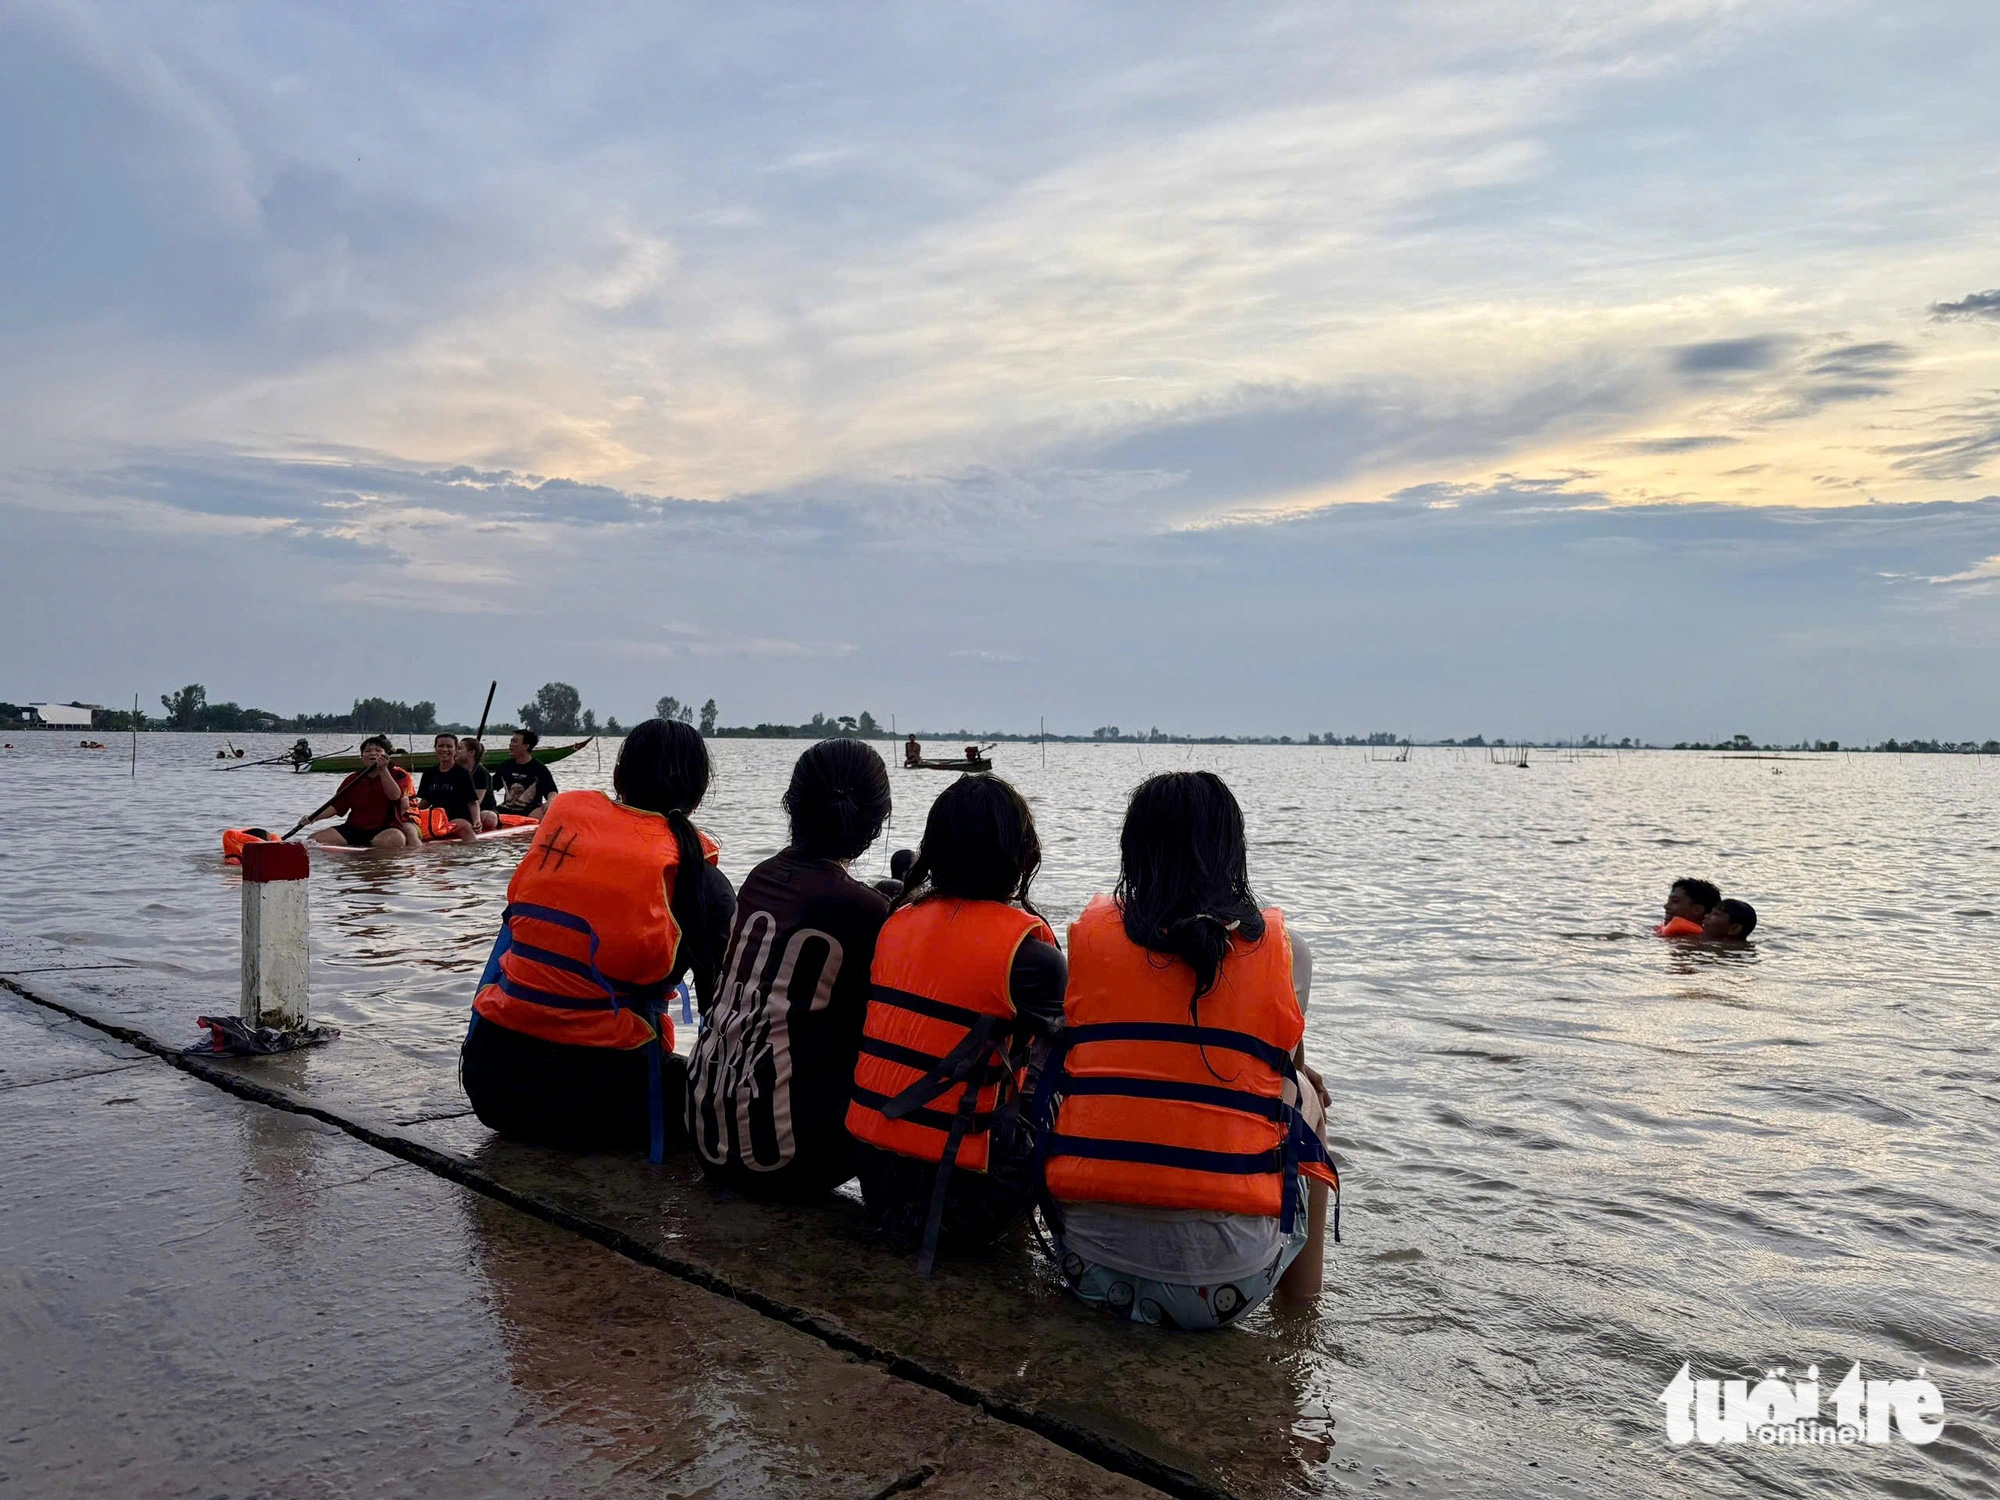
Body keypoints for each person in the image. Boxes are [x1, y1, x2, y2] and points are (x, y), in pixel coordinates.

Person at [1037, 770, 1336, 1331]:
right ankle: (1300, 1313)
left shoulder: (1088, 942)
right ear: (1233, 851)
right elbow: (1280, 1075)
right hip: (1229, 1284)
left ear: (1134, 851)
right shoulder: (1287, 951)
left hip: (1087, 1266)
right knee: (1309, 1104)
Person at [459, 719, 734, 1159]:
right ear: (698, 795)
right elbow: (721, 1021)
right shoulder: (703, 880)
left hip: (493, 1085)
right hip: (605, 1105)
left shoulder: (561, 828)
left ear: (618, 779)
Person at [846, 774, 1067, 1272]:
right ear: (1020, 856)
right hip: (966, 1204)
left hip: (875, 1181)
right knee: (1062, 1064)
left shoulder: (894, 922)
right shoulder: (1031, 959)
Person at [686, 739, 895, 1201]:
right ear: (875, 823)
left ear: (792, 805)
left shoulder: (760, 875)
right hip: (793, 1159)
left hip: (707, 1135)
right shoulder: (866, 911)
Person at [286, 735, 417, 849]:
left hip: (386, 827)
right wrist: (313, 817)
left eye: (378, 751)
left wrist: (383, 770)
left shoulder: (398, 774)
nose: (372, 754)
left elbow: (395, 796)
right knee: (313, 841)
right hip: (354, 827)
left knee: (394, 840)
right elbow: (336, 806)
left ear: (386, 756)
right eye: (367, 751)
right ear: (361, 757)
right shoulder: (353, 779)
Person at [415, 733, 479, 842]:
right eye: (440, 746)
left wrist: (477, 821)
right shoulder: (429, 773)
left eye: (449, 746)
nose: (444, 750)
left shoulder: (463, 773)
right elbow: (425, 801)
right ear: (435, 748)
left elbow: (472, 802)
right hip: (435, 818)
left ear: (455, 750)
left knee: (464, 826)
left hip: (457, 818)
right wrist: (412, 813)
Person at [490, 730, 559, 820]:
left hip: (530, 811)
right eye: (511, 741)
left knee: (542, 813)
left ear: (526, 746)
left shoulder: (539, 768)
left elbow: (552, 791)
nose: (511, 744)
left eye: (515, 741)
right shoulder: (505, 766)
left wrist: (550, 801)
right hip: (506, 809)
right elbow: (490, 786)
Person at [456, 737, 500, 830]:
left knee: (488, 817)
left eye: (459, 748)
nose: (455, 751)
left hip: (481, 810)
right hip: (458, 809)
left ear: (471, 753)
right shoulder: (454, 770)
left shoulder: (481, 772)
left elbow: (477, 801)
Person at [1656, 877, 1720, 938]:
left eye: (1675, 901)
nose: (1666, 906)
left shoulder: (1698, 941)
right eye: (1668, 901)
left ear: (1697, 910)